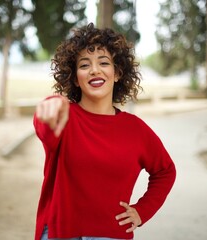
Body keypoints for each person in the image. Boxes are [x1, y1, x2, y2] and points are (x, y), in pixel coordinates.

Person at [33, 23, 176, 240]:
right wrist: (51, 104)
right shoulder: (64, 116)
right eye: (84, 65)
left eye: (104, 62)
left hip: (112, 235)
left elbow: (165, 171)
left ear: (117, 73)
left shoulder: (135, 129)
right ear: (74, 77)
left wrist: (141, 211)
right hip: (61, 233)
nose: (94, 70)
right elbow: (45, 127)